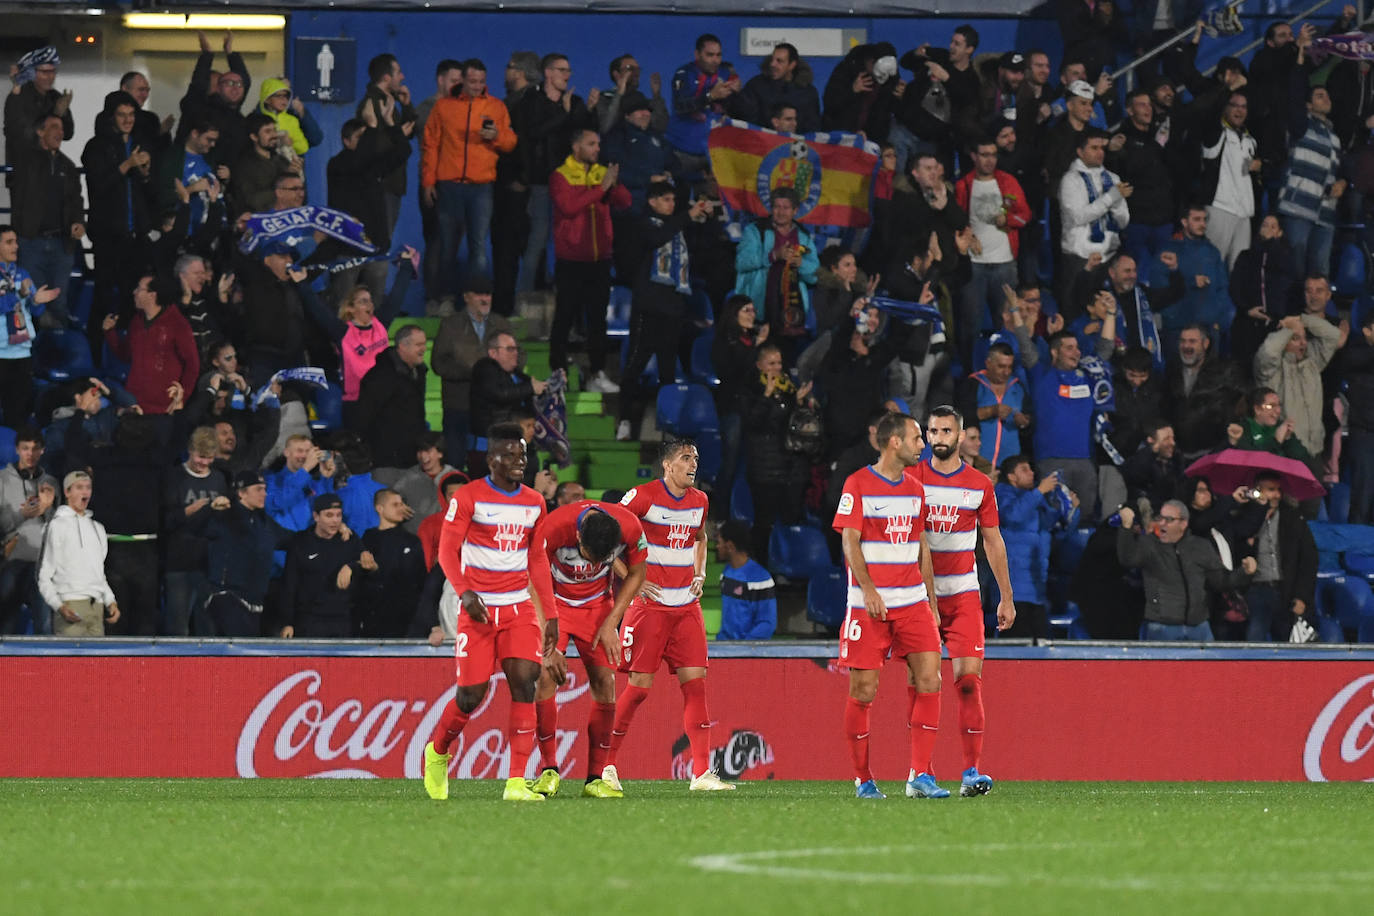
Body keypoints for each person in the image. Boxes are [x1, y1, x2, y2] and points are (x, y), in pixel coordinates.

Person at [422, 423, 557, 803]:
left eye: (523, 455)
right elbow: (447, 552)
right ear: (491, 458)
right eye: (511, 455)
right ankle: (438, 751)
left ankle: (516, 782)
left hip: (518, 610)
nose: (519, 462)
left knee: (525, 684)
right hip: (479, 612)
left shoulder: (534, 501)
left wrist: (551, 613)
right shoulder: (468, 497)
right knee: (471, 696)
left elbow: (536, 557)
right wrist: (465, 594)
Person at [598, 438, 734, 793]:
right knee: (639, 689)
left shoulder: (700, 501)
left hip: (686, 608)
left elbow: (701, 538)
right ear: (667, 465)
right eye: (686, 458)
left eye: (696, 458)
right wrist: (631, 580)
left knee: (696, 686)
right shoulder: (642, 496)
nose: (693, 464)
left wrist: (700, 574)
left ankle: (701, 773)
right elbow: (604, 536)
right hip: (651, 608)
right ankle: (606, 765)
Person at [834, 412, 945, 800]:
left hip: (912, 600)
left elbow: (920, 548)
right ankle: (863, 779)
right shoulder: (859, 483)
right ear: (894, 442)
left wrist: (931, 602)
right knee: (864, 690)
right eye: (917, 437)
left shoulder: (915, 489)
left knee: (930, 679)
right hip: (869, 605)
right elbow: (849, 541)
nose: (923, 444)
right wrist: (868, 590)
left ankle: (920, 776)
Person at [910, 405, 1014, 794]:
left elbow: (992, 540)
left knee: (969, 682)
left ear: (961, 435)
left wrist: (1006, 596)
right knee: (924, 684)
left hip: (964, 594)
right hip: (917, 598)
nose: (939, 438)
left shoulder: (979, 485)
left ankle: (971, 772)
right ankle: (920, 772)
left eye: (946, 431)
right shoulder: (911, 479)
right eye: (933, 431)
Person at [529, 497, 648, 798]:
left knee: (605, 683)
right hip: (555, 605)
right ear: (578, 536)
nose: (594, 565)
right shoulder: (554, 527)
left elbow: (637, 573)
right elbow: (533, 575)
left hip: (597, 608)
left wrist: (612, 622)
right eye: (589, 556)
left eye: (601, 560)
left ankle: (595, 779)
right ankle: (548, 771)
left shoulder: (630, 527)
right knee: (545, 677)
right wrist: (547, 631)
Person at [616, 181, 712, 440]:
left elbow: (699, 250)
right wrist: (686, 216)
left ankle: (667, 426)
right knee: (635, 364)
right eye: (666, 199)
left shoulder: (679, 228)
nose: (671, 204)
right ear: (652, 202)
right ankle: (624, 419)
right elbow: (657, 238)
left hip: (672, 308)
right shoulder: (643, 224)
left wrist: (703, 219)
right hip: (648, 306)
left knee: (668, 371)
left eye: (673, 199)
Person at [421, 59, 516, 294]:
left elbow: (511, 142)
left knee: (479, 248)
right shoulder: (443, 107)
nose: (477, 86)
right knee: (447, 247)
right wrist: (428, 181)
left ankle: (477, 302)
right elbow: (430, 146)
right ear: (462, 80)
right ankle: (444, 300)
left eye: (481, 82)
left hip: (481, 187)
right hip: (449, 186)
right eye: (472, 81)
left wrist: (496, 136)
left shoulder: (496, 106)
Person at [549, 128, 630, 393]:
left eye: (598, 144)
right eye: (591, 144)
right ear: (576, 147)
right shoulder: (561, 175)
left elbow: (625, 202)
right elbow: (569, 208)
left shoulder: (600, 173)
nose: (597, 149)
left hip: (600, 260)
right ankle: (557, 373)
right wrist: (600, 189)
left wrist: (612, 185)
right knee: (565, 316)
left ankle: (597, 373)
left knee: (598, 320)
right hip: (571, 260)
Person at [1115, 501, 1257, 641]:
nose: (1162, 523)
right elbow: (1128, 559)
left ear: (1183, 524)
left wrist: (1244, 572)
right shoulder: (1148, 544)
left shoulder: (1200, 546)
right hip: (1161, 628)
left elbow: (1221, 581)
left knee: (1208, 665)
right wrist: (1126, 528)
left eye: (1169, 519)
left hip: (1199, 627)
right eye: (1160, 518)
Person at [953, 139, 1031, 371]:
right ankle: (971, 373)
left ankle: (1011, 372)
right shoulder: (964, 185)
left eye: (993, 155)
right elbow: (956, 220)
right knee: (970, 324)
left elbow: (1025, 215)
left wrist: (1007, 220)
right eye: (984, 154)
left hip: (1005, 263)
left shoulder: (1008, 181)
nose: (990, 159)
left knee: (1007, 322)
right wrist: (968, 236)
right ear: (974, 156)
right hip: (974, 265)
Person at [82, 91, 154, 341]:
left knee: (132, 300)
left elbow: (145, 190)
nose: (128, 120)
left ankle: (123, 356)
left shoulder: (138, 142)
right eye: (122, 115)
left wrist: (144, 172)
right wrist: (127, 165)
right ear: (111, 117)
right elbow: (99, 185)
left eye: (131, 114)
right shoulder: (96, 146)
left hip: (136, 235)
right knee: (102, 298)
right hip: (108, 235)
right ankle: (96, 356)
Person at [193, 470, 293, 637]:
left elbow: (293, 541)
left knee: (247, 656)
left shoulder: (264, 522)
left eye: (265, 489)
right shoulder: (224, 516)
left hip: (255, 602)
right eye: (258, 489)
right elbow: (195, 529)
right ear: (241, 493)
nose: (264, 494)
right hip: (227, 598)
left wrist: (322, 530)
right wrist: (209, 509)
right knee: (235, 653)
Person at [1278, 27, 1344, 276]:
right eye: (1318, 95)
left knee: (1320, 273)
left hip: (1325, 213)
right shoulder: (1301, 125)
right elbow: (1295, 92)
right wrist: (1301, 53)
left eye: (1326, 95)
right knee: (1295, 270)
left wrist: (1342, 183)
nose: (1325, 97)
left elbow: (1339, 172)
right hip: (1298, 209)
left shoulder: (1334, 137)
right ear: (1308, 104)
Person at [430, 274, 515, 466]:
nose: (485, 299)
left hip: (493, 407)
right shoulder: (450, 325)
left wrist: (497, 373)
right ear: (467, 297)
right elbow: (439, 362)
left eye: (488, 294)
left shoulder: (502, 324)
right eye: (479, 295)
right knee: (455, 459)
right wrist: (474, 373)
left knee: (492, 463)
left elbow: (519, 355)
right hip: (458, 404)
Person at [10, 113, 84, 328]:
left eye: (61, 128)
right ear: (39, 132)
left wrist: (79, 223)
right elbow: (16, 130)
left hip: (62, 245)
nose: (59, 132)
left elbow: (76, 202)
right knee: (32, 303)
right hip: (31, 243)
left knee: (59, 303)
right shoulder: (25, 161)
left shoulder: (68, 167)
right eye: (53, 127)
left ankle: (58, 356)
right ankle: (33, 358)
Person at [734, 188, 820, 364]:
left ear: (795, 211)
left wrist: (801, 264)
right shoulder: (756, 230)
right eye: (776, 207)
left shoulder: (803, 235)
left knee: (782, 364)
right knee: (755, 362)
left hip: (790, 317)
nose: (780, 212)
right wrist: (773, 256)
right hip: (759, 309)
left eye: (786, 207)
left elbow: (815, 275)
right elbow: (741, 262)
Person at [161, 427, 231, 636]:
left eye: (209, 458)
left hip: (209, 563)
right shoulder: (174, 477)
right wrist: (191, 509)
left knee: (208, 626)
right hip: (179, 562)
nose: (204, 463)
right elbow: (166, 521)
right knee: (178, 625)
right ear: (190, 451)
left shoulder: (219, 478)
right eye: (201, 457)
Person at [995, 455, 1075, 638]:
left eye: (1031, 469)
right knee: (1017, 653)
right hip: (1013, 594)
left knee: (1041, 654)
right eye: (1024, 469)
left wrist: (1071, 510)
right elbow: (1013, 516)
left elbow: (1057, 531)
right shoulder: (1001, 494)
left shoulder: (1037, 500)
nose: (1031, 473)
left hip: (1037, 591)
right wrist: (1039, 491)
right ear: (1011, 476)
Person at [1241, 470, 1324, 642]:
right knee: (1253, 645)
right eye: (1271, 489)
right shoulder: (1245, 518)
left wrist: (1302, 596)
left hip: (1286, 592)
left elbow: (1309, 559)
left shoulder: (1293, 518)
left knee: (1290, 650)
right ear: (1257, 490)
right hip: (1256, 592)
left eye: (1279, 489)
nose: (1277, 494)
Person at [37, 471, 120, 638]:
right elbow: (44, 575)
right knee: (70, 663)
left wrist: (110, 600)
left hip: (96, 608)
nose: (85, 492)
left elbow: (98, 573)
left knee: (97, 664)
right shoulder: (56, 526)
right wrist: (59, 606)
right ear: (67, 492)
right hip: (71, 606)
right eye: (79, 487)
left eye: (88, 487)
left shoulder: (98, 528)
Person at [102, 273, 200, 415]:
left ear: (152, 295)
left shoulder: (178, 324)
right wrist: (110, 332)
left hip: (163, 408)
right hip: (134, 404)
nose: (134, 292)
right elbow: (125, 355)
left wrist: (181, 399)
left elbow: (192, 365)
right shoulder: (136, 321)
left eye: (139, 289)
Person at [280, 493, 374, 638]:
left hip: (343, 621)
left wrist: (350, 567)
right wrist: (287, 622)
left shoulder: (349, 538)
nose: (335, 520)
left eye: (338, 515)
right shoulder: (301, 542)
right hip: (308, 621)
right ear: (316, 516)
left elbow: (371, 567)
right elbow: (289, 584)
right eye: (329, 515)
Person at [1059, 129, 1132, 316]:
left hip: (1108, 259)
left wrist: (1115, 203)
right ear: (1080, 151)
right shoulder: (1070, 180)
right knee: (1075, 313)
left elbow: (1123, 221)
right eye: (1094, 148)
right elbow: (1078, 217)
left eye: (1102, 148)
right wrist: (1111, 197)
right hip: (1079, 260)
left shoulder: (1113, 178)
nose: (1100, 152)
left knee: (1110, 316)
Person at [1032, 332, 1099, 520]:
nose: (1076, 352)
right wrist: (1015, 307)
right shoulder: (1042, 375)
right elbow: (1025, 347)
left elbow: (1105, 349)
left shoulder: (1087, 378)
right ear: (1054, 352)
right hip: (1051, 460)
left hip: (1084, 461)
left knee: (1085, 520)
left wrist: (1110, 314)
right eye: (1069, 348)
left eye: (1077, 348)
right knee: (1055, 519)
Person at [1253, 313, 1340, 458]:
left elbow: (1333, 335)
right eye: (1295, 339)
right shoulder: (1270, 370)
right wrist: (1288, 329)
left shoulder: (1312, 362)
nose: (1303, 343)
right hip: (1285, 450)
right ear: (1283, 341)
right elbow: (1269, 351)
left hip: (1315, 451)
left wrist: (1302, 320)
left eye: (1304, 337)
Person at [0, 225, 61, 427]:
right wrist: (22, 295)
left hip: (22, 353)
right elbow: (4, 304)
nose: (16, 246)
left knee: (17, 414)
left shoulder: (23, 273)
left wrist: (36, 301)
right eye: (9, 242)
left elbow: (36, 314)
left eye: (16, 241)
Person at [356, 53, 418, 247]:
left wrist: (407, 106)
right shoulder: (374, 104)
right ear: (386, 77)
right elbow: (378, 147)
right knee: (378, 242)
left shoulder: (390, 102)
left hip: (392, 183)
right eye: (398, 72)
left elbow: (409, 133)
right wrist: (397, 133)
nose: (402, 77)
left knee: (383, 240)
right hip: (382, 185)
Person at [0, 427, 57, 635]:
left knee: (45, 627)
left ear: (42, 451)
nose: (30, 454)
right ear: (16, 449)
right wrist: (22, 515)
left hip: (42, 566)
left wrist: (46, 511)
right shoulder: (2, 481)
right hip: (10, 563)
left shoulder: (50, 483)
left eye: (35, 449)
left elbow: (58, 529)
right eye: (25, 448)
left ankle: (49, 667)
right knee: (6, 626)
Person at [467, 331, 547, 477]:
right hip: (489, 448)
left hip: (516, 447)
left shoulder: (517, 374)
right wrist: (531, 388)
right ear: (493, 353)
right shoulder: (484, 369)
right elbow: (500, 393)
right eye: (510, 349)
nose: (515, 353)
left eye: (516, 349)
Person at [353, 325, 429, 471]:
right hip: (386, 458)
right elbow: (365, 414)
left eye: (424, 344)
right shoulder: (380, 376)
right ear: (402, 346)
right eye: (418, 345)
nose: (424, 348)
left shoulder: (418, 372)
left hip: (412, 454)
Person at [175, 30, 251, 173]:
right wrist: (207, 55)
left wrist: (230, 53)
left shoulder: (233, 110)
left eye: (237, 85)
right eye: (225, 83)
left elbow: (243, 82)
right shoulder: (196, 111)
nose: (235, 88)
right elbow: (198, 85)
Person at [356, 488, 425, 637]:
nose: (401, 508)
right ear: (379, 509)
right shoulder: (368, 539)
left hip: (407, 620)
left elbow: (420, 581)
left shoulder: (412, 541)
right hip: (375, 620)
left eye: (402, 504)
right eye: (395, 505)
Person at [665, 34, 739, 172]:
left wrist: (737, 93)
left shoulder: (725, 72)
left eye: (718, 55)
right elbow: (680, 106)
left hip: (714, 152)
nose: (715, 60)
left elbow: (731, 108)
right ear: (697, 55)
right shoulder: (684, 74)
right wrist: (711, 96)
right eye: (710, 55)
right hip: (682, 151)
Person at [373, 431, 455, 536]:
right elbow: (392, 501)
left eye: (428, 451)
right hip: (415, 541)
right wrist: (399, 508)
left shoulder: (455, 478)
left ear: (440, 453)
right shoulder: (408, 477)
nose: (423, 455)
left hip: (445, 540)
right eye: (420, 451)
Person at [734, 43, 821, 134]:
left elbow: (813, 129)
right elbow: (745, 119)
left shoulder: (807, 92)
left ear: (792, 65)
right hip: (761, 144)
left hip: (796, 146)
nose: (772, 64)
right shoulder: (756, 85)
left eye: (779, 61)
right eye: (772, 59)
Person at [1337, 311, 1374, 524]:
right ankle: (1353, 551)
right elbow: (1352, 362)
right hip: (1365, 432)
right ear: (1367, 330)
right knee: (1364, 491)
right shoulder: (1356, 351)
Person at [715, 520, 777, 640]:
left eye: (719, 542)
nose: (717, 546)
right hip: (724, 648)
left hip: (747, 651)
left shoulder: (761, 578)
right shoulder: (726, 573)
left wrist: (744, 649)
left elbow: (767, 623)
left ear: (730, 546)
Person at [265, 434, 336, 532]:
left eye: (308, 451)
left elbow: (328, 507)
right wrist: (305, 469)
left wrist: (326, 479)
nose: (304, 456)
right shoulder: (272, 480)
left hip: (311, 541)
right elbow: (277, 503)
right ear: (286, 453)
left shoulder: (312, 482)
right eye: (299, 451)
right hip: (285, 542)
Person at [1226, 386, 1311, 461]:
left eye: (1279, 405)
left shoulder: (1281, 426)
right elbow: (1251, 459)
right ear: (1257, 409)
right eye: (1270, 406)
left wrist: (1288, 439)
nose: (1278, 410)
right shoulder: (1244, 428)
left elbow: (1303, 459)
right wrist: (1276, 441)